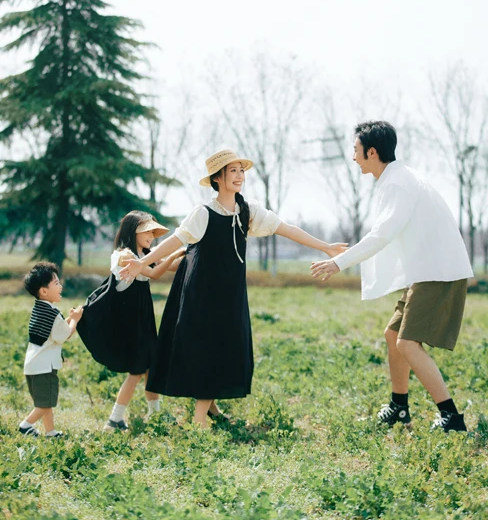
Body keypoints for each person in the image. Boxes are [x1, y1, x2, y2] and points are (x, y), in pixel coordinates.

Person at [120, 149, 348, 428]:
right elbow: (175, 241)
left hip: (230, 292)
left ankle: (211, 407)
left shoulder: (248, 211)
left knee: (225, 344)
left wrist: (324, 247)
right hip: (201, 292)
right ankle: (200, 418)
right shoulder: (203, 213)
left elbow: (285, 228)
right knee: (207, 346)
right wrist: (142, 262)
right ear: (217, 178)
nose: (240, 176)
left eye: (242, 170)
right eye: (233, 171)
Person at [311, 121, 473, 433]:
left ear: (372, 152)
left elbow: (381, 235)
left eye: (356, 151)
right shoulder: (396, 179)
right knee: (393, 336)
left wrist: (338, 263)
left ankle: (451, 418)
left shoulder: (398, 183)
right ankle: (399, 408)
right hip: (427, 271)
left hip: (437, 272)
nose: (353, 156)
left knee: (408, 343)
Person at [77, 211, 185, 432]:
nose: (152, 236)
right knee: (137, 370)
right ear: (133, 230)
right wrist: (173, 256)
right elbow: (155, 274)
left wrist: (189, 254)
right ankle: (114, 419)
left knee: (149, 367)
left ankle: (155, 414)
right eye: (148, 231)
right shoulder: (125, 255)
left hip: (142, 318)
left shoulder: (142, 253)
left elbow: (167, 266)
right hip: (129, 320)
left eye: (154, 232)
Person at [20, 262, 83, 437]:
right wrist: (75, 319)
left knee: (44, 402)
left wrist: (69, 319)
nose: (60, 286)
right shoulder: (53, 314)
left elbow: (56, 332)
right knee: (45, 403)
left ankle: (50, 432)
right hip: (44, 368)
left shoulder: (39, 309)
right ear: (44, 291)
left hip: (32, 366)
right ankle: (26, 425)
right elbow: (63, 335)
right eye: (56, 283)